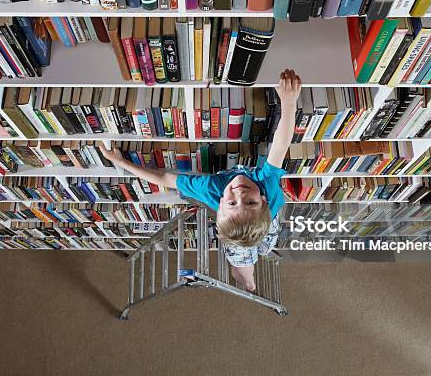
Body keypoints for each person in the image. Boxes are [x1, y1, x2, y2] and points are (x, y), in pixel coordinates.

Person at [99, 69, 301, 291]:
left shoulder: (210, 189)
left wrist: (122, 162)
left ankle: (245, 275)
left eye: (233, 203)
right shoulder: (268, 186)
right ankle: (250, 277)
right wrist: (289, 103)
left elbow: (165, 178)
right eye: (249, 202)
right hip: (267, 222)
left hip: (262, 226)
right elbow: (280, 145)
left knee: (243, 256)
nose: (240, 195)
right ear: (263, 200)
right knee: (253, 251)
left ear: (220, 205)